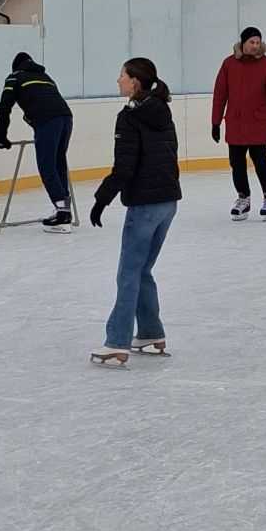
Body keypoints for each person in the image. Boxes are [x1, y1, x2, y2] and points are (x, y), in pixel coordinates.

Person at [89, 57, 181, 364]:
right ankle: (151, 331)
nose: (118, 81)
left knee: (128, 272)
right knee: (142, 269)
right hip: (168, 201)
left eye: (122, 76)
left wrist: (102, 198)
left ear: (135, 83)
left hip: (145, 204)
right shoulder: (162, 110)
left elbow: (124, 167)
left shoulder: (129, 117)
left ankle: (117, 340)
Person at [211, 26, 266, 219]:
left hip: (258, 123)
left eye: (258, 42)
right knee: (236, 163)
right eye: (251, 42)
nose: (255, 46)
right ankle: (243, 198)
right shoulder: (228, 64)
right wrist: (215, 122)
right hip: (236, 123)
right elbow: (220, 95)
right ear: (243, 43)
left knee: (262, 162)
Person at [0, 50, 75, 229]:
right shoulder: (45, 76)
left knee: (47, 165)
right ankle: (64, 209)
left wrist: (1, 137)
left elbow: (4, 108)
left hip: (47, 121)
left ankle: (62, 212)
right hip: (66, 117)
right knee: (58, 162)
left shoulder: (14, 78)